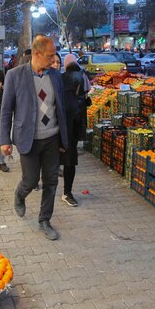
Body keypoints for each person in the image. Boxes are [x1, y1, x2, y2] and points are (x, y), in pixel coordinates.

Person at [0, 36, 68, 241]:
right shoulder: (14, 75)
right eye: (49, 56)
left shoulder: (56, 76)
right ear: (37, 54)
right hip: (28, 138)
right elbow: (6, 110)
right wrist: (5, 140)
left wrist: (65, 139)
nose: (53, 59)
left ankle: (45, 220)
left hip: (52, 138)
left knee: (51, 182)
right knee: (30, 180)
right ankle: (20, 195)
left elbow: (61, 108)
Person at [60, 54, 90, 207]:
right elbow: (86, 96)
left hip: (59, 126)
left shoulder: (60, 79)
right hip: (74, 125)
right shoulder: (82, 76)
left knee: (60, 159)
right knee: (69, 161)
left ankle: (57, 190)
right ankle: (67, 192)